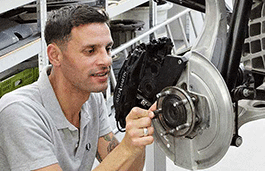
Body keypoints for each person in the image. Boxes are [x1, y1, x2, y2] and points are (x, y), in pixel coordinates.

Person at [0, 4, 156, 171]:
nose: (107, 60)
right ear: (55, 55)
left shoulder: (91, 98)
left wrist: (138, 135)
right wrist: (126, 148)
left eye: (108, 48)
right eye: (90, 51)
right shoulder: (18, 111)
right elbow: (122, 155)